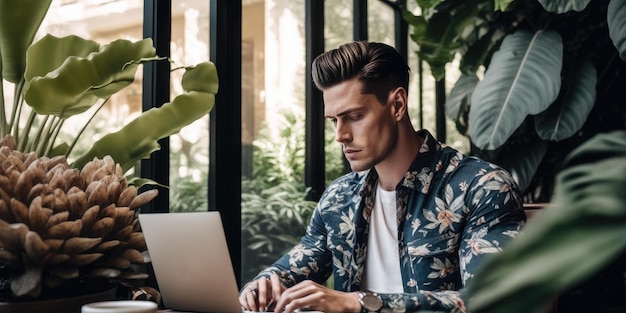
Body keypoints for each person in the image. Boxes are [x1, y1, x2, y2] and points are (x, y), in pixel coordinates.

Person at [239, 41, 526, 313]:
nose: (341, 135)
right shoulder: (339, 198)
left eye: (353, 116)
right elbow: (292, 268)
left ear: (398, 105)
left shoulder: (483, 186)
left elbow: (492, 298)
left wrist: (360, 304)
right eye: (334, 121)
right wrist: (261, 286)